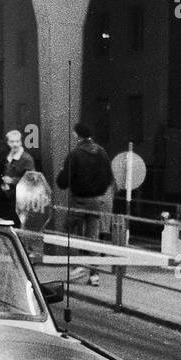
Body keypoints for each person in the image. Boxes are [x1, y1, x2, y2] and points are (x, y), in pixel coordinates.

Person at [55, 123, 114, 287]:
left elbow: (63, 182)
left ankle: (78, 266)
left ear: (77, 135)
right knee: (92, 238)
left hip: (78, 201)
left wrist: (62, 174)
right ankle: (94, 274)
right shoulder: (102, 152)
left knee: (69, 233)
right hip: (96, 202)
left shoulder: (75, 154)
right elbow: (109, 178)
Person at [0, 129, 38, 225]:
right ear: (7, 143)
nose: (15, 144)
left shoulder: (26, 158)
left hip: (20, 199)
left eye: (17, 141)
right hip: (7, 197)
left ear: (21, 142)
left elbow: (32, 180)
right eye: (12, 142)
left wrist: (12, 181)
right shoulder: (7, 156)